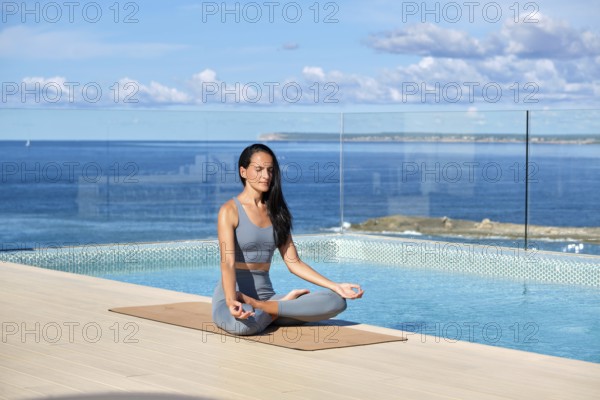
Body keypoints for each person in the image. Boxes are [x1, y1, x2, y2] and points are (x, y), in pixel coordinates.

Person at [212, 143, 364, 335]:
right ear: (243, 171)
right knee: (243, 325)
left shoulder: (278, 213)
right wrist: (230, 299)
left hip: (267, 297)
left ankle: (269, 308)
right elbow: (227, 262)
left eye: (270, 170)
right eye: (258, 169)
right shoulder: (229, 210)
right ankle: (278, 308)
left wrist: (336, 286)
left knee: (335, 302)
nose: (266, 176)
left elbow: (294, 263)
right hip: (232, 295)